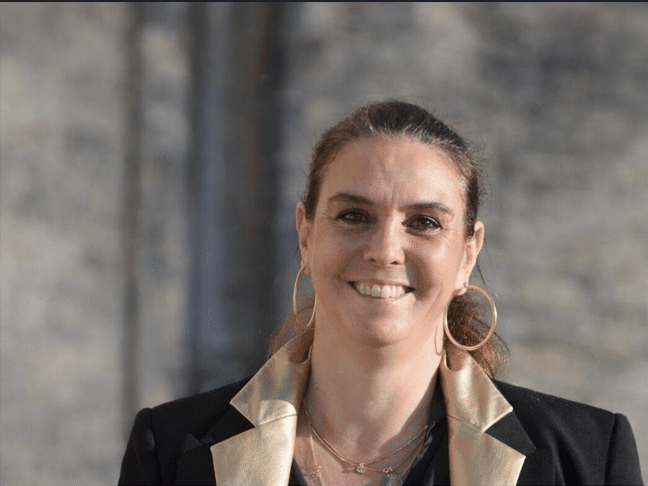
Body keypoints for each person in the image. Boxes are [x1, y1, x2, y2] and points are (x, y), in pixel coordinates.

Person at [119, 101, 643, 486]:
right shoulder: (168, 451)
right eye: (354, 215)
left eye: (424, 222)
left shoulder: (587, 461)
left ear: (468, 254)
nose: (385, 250)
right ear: (305, 235)